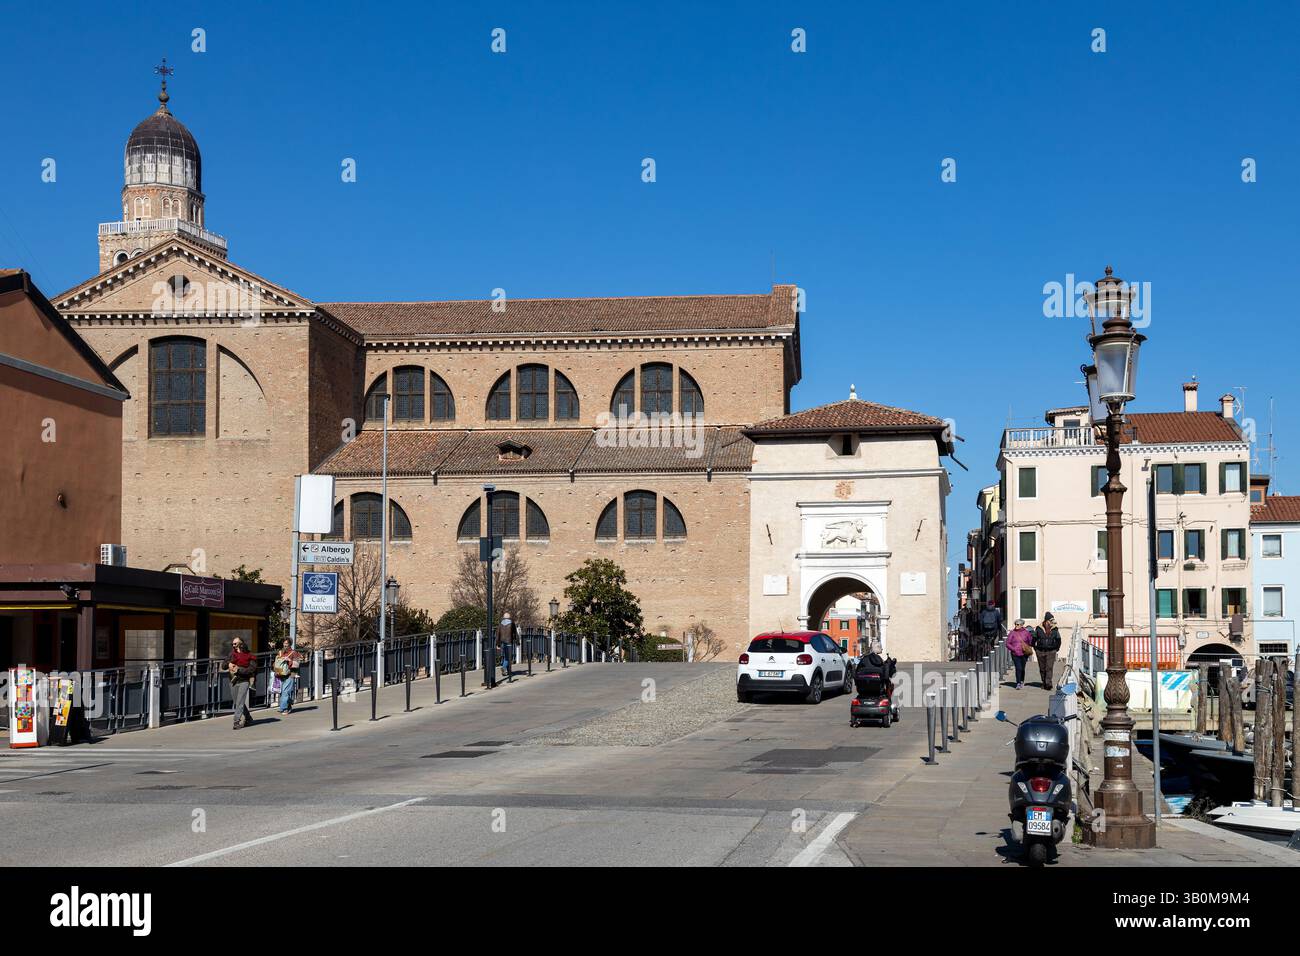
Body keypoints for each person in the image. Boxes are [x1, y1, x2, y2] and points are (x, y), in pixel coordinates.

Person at [227, 637, 258, 729]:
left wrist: (239, 670)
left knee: (240, 702)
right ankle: (248, 718)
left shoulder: (250, 655)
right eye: (232, 644)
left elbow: (252, 669)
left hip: (244, 680)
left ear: (241, 644)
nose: (233, 646)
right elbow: (224, 665)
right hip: (233, 680)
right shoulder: (232, 654)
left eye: (235, 644)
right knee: (237, 702)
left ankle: (236, 721)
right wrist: (228, 664)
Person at [273, 638, 304, 715]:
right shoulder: (280, 652)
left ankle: (284, 708)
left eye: (287, 643)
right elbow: (275, 663)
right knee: (282, 692)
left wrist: (289, 661)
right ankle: (289, 703)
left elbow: (297, 663)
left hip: (290, 674)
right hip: (280, 674)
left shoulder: (294, 653)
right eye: (284, 643)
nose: (285, 645)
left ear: (290, 644)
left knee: (285, 691)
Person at [1032, 612, 1061, 689]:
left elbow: (1058, 640)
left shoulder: (1055, 629)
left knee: (1049, 667)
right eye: (1050, 620)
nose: (1051, 622)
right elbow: (1034, 639)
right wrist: (1035, 649)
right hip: (1040, 651)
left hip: (1051, 651)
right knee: (1042, 668)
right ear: (1046, 621)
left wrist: (1056, 648)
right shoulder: (1038, 628)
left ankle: (1048, 684)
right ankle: (1044, 682)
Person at [1006, 619, 1035, 689]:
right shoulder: (1012, 633)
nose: (1016, 626)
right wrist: (1014, 649)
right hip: (1015, 654)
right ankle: (1018, 683)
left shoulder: (1026, 633)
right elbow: (1007, 643)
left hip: (1024, 653)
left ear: (1022, 625)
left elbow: (1030, 642)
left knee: (1022, 668)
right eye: (1015, 624)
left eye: (1018, 624)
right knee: (1018, 668)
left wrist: (1032, 639)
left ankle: (1022, 680)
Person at [497, 612, 516, 679]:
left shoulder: (500, 624)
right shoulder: (512, 623)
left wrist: (498, 644)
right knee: (508, 657)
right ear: (509, 617)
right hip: (509, 641)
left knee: (506, 655)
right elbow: (515, 633)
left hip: (503, 641)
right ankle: (504, 667)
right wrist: (517, 642)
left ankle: (508, 671)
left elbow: (498, 634)